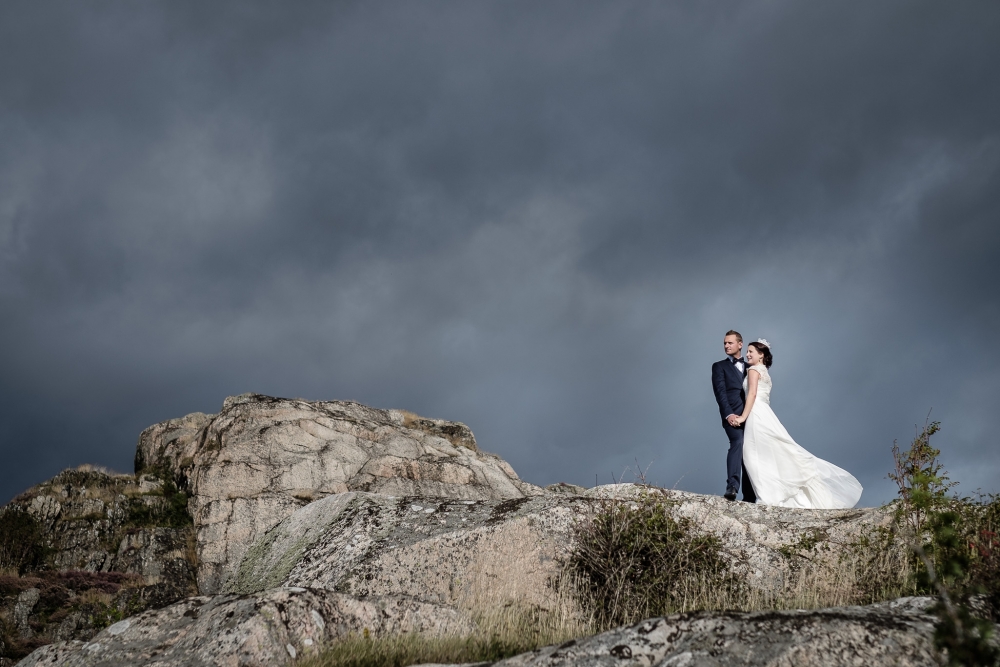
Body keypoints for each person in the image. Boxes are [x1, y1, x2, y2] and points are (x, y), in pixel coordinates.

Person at [731, 339, 863, 509]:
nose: (747, 355)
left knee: (753, 455)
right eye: (747, 352)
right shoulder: (765, 372)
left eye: (751, 351)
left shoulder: (754, 370)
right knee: (770, 452)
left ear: (761, 354)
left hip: (757, 414)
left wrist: (742, 417)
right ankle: (772, 494)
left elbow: (752, 394)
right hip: (765, 413)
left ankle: (768, 496)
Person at [711, 330, 756, 502]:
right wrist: (728, 414)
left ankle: (750, 495)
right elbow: (720, 393)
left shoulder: (750, 368)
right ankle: (732, 486)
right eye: (724, 343)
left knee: (750, 451)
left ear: (740, 344)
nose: (726, 346)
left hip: (751, 416)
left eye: (730, 343)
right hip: (732, 415)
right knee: (738, 442)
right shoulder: (719, 366)